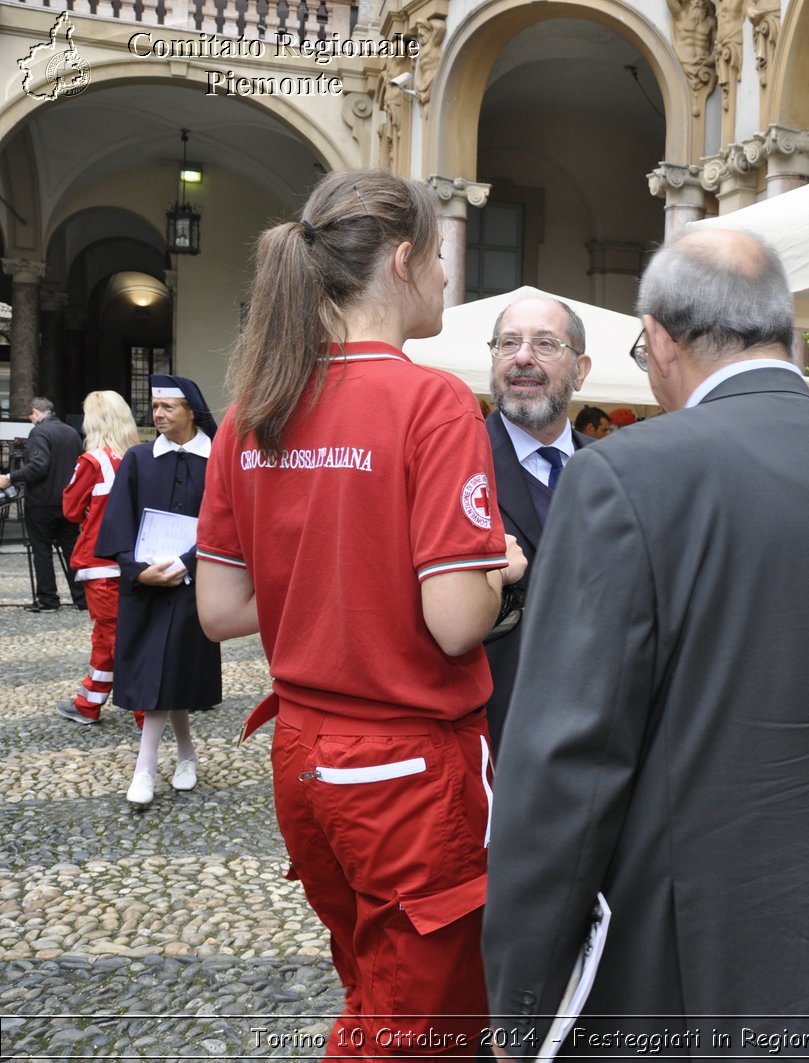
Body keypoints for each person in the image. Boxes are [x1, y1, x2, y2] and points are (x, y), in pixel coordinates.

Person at [483, 229, 809, 1057]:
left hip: (684, 973)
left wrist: (520, 996)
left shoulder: (623, 475)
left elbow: (564, 768)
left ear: (659, 336)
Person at [195, 169, 526, 1058]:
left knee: (377, 986)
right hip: (408, 765)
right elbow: (457, 620)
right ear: (405, 259)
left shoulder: (249, 410)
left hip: (304, 755)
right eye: (443, 256)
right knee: (419, 1028)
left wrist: (342, 568)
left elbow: (221, 608)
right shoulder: (432, 400)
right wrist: (501, 566)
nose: (450, 279)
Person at [96, 375, 222, 805]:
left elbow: (225, 523)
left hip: (194, 583)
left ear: (191, 410)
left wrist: (185, 564)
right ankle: (180, 755)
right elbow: (118, 522)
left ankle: (147, 767)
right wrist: (135, 570)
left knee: (169, 669)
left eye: (167, 407)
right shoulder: (137, 459)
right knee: (161, 671)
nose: (158, 414)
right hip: (145, 587)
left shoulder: (217, 460)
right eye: (154, 407)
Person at [483, 295, 597, 753]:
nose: (522, 357)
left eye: (545, 344)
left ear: (581, 369)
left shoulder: (618, 470)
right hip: (493, 736)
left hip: (598, 736)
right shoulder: (452, 463)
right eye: (508, 344)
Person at [56, 391, 142, 727]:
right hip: (135, 561)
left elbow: (71, 510)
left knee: (117, 637)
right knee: (108, 635)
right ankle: (88, 703)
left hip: (100, 562)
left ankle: (143, 710)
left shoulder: (92, 462)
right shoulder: (139, 456)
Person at [0, 396, 86, 612]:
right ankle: (83, 598)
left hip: (42, 502)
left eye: (31, 415)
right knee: (71, 550)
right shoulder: (71, 432)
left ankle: (48, 600)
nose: (31, 419)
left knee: (42, 550)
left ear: (36, 412)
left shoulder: (39, 432)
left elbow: (38, 466)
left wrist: (11, 476)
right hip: (68, 501)